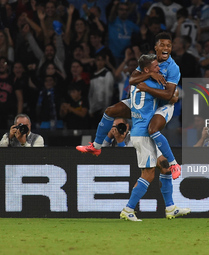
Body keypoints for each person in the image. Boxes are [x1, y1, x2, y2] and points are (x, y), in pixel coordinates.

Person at [76, 32, 181, 178]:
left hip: (162, 105)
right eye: (162, 45)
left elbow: (169, 95)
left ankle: (173, 163)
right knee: (110, 111)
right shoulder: (148, 61)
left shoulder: (173, 68)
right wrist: (150, 75)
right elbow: (132, 79)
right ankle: (97, 146)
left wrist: (147, 87)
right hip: (144, 101)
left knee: (152, 129)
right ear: (155, 47)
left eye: (169, 46)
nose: (166, 48)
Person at [120, 54, 190, 221]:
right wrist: (171, 91)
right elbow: (172, 96)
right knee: (148, 173)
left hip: (143, 131)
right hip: (143, 134)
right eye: (155, 67)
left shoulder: (137, 82)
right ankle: (128, 209)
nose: (159, 69)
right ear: (146, 70)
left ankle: (170, 208)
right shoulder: (151, 83)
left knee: (163, 166)